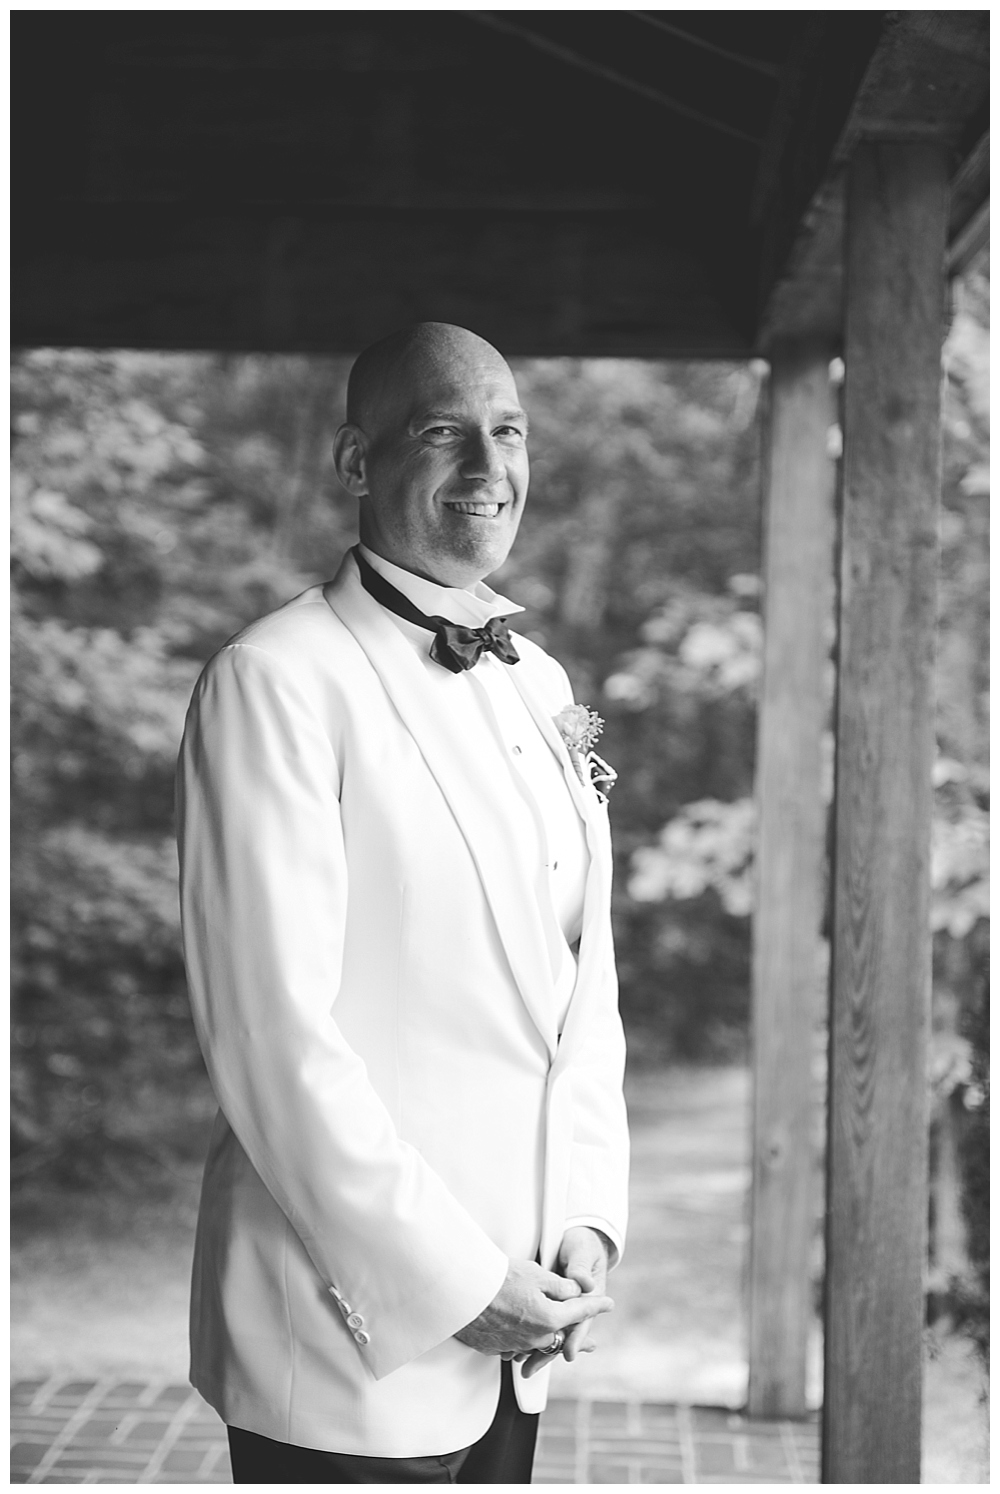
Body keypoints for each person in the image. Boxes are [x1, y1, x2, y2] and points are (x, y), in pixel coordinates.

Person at [176, 322, 629, 1483]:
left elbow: (583, 989)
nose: (489, 467)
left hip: (527, 1322)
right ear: (356, 461)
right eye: (443, 432)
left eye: (509, 430)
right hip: (347, 1340)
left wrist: (584, 1216)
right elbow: (271, 1037)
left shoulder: (544, 683)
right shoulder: (275, 681)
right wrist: (455, 1284)